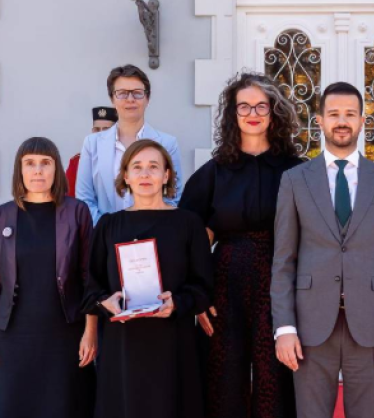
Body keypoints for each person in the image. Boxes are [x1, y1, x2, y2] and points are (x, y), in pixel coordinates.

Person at [271, 82, 374, 418]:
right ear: (319, 120)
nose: (341, 121)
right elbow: (284, 260)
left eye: (350, 114)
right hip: (310, 326)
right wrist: (285, 328)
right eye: (333, 113)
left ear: (362, 120)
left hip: (371, 325)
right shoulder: (294, 180)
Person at [179, 73, 302, 418]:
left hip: (280, 280)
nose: (253, 113)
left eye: (262, 106)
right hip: (225, 281)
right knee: (224, 373)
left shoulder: (296, 170)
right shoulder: (214, 172)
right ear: (233, 114)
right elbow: (190, 239)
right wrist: (198, 295)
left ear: (274, 112)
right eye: (244, 106)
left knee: (276, 372)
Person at [82, 140, 212, 418]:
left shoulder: (188, 223)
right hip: (122, 345)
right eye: (137, 167)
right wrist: (106, 302)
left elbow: (203, 287)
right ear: (126, 176)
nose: (145, 174)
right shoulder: (108, 225)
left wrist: (178, 302)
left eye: (154, 167)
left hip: (173, 343)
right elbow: (91, 286)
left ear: (166, 176)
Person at [0, 137, 96, 418]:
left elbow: (90, 277)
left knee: (63, 406)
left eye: (46, 163)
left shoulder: (77, 212)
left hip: (65, 332)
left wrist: (91, 332)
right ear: (19, 170)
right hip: (13, 334)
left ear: (57, 169)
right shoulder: (3, 215)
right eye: (29, 163)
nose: (38, 170)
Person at [76, 64, 183, 224]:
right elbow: (84, 199)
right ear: (112, 99)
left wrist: (149, 230)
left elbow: (172, 196)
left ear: (147, 99)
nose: (130, 99)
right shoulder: (92, 144)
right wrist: (107, 230)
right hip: (105, 233)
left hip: (153, 233)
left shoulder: (167, 143)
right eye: (122, 93)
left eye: (137, 93)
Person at [67, 106, 119, 197]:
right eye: (97, 129)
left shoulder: (124, 159)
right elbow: (69, 197)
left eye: (106, 130)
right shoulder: (77, 162)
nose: (100, 134)